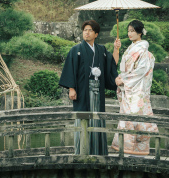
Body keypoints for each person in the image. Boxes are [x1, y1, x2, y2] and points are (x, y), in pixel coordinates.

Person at [58, 20, 120, 155]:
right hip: (82, 91)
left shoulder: (101, 50)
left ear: (96, 34)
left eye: (90, 30)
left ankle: (98, 151)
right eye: (85, 30)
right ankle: (82, 151)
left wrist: (116, 49)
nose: (86, 32)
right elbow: (70, 69)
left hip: (97, 90)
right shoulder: (76, 50)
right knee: (83, 118)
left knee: (97, 119)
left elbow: (112, 65)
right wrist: (71, 88)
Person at [110, 20, 157, 155]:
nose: (130, 33)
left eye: (132, 31)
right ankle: (126, 148)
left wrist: (123, 80)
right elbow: (125, 68)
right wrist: (120, 77)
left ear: (140, 32)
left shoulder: (143, 50)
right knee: (127, 117)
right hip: (129, 89)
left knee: (136, 116)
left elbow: (141, 71)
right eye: (129, 31)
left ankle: (138, 150)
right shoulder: (131, 48)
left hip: (137, 89)